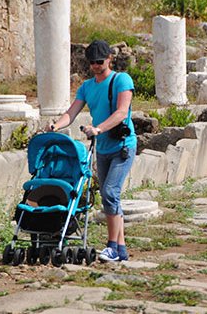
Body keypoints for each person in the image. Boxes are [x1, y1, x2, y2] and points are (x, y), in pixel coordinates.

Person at [47, 40, 136, 262]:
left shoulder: (121, 80)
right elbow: (72, 112)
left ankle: (112, 246)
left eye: (100, 61)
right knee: (109, 198)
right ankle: (121, 250)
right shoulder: (87, 86)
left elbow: (121, 112)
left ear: (109, 59)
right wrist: (56, 126)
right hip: (102, 147)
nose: (96, 66)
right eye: (92, 62)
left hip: (123, 146)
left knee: (110, 193)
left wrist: (98, 128)